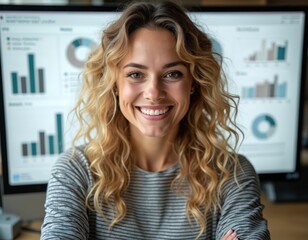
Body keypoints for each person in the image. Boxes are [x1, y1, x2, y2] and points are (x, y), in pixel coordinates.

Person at [41, 1, 270, 239]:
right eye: (135, 74)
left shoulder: (231, 173)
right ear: (115, 85)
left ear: (193, 83)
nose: (153, 92)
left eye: (173, 74)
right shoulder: (76, 171)